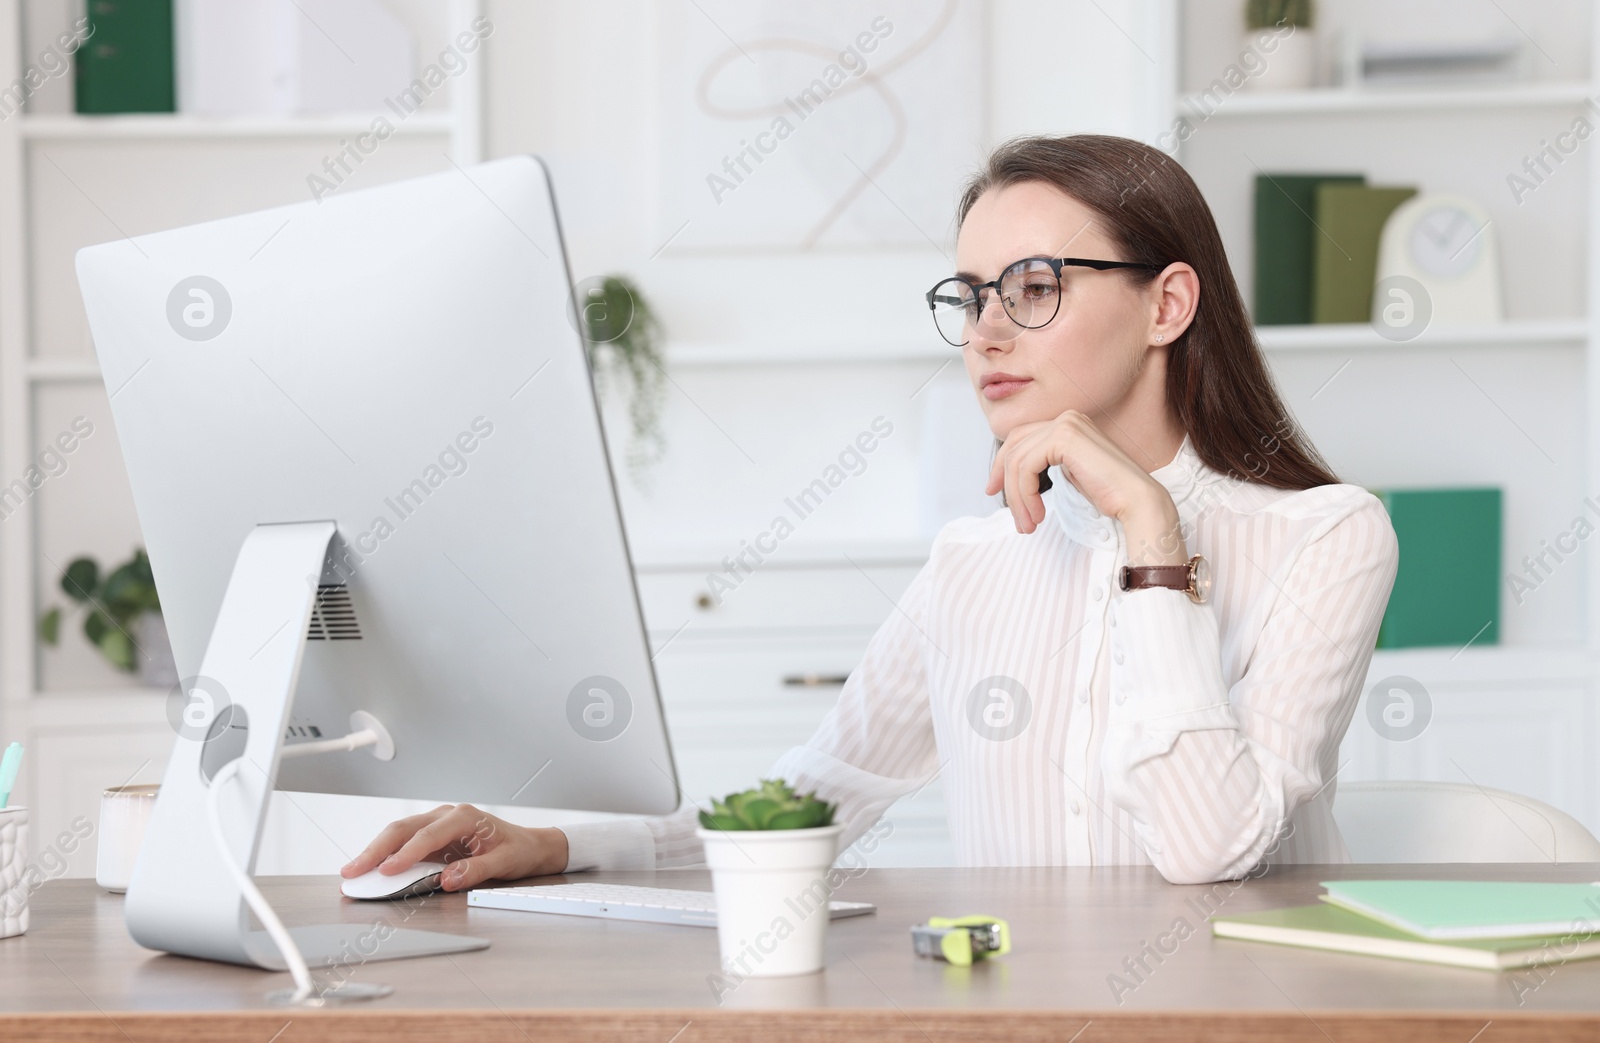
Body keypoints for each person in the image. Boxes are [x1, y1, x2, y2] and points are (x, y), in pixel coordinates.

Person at [342, 133, 1399, 890]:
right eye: (970, 293)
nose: (986, 332)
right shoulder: (970, 565)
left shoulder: (1328, 536)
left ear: (1167, 303)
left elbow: (1207, 845)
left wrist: (1151, 539)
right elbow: (812, 801)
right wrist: (561, 845)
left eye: (1033, 287)